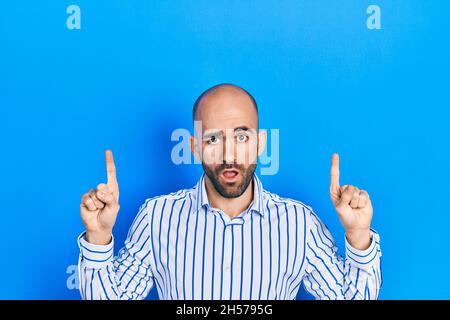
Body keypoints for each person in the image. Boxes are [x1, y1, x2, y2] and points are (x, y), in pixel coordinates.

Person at [78, 83, 382, 300]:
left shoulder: (299, 224)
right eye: (212, 139)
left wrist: (358, 236)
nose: (229, 154)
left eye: (241, 136)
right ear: (195, 147)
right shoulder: (157, 217)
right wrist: (99, 237)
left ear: (261, 143)